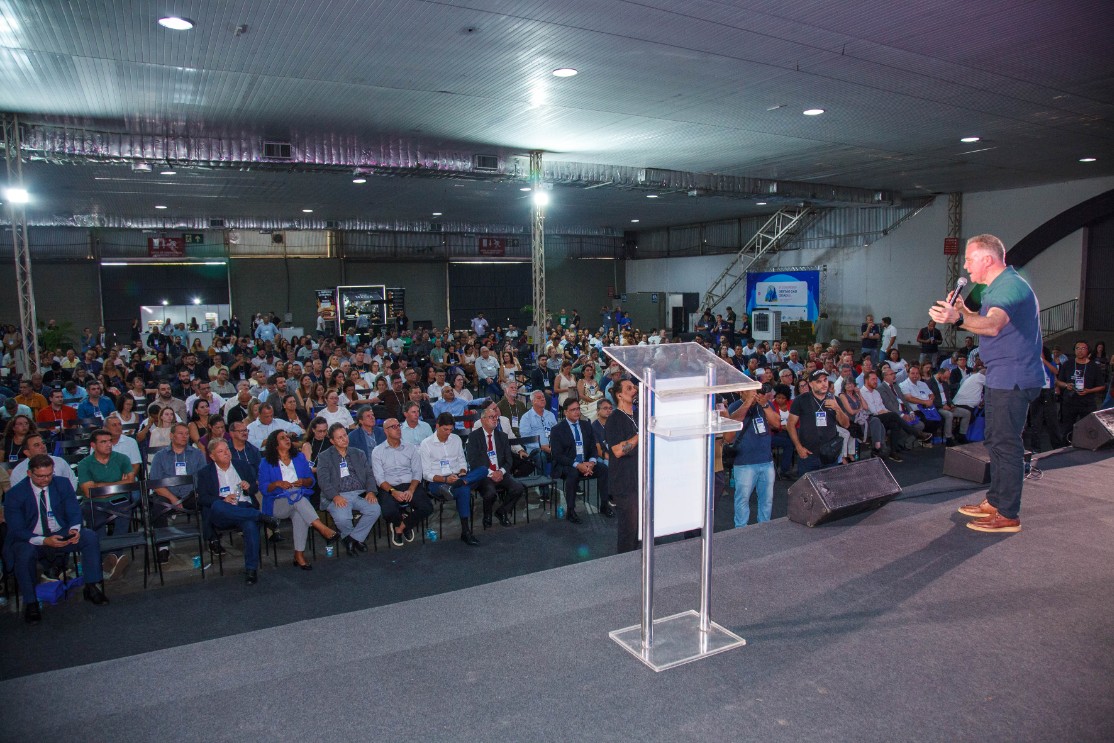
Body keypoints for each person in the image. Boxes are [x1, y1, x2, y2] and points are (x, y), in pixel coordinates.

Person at [929, 234, 1044, 534]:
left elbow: (992, 325)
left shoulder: (1009, 286)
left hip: (1013, 377)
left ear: (987, 259)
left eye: (969, 259)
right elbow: (983, 320)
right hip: (1003, 376)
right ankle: (997, 500)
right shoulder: (999, 286)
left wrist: (957, 320)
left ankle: (1008, 513)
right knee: (996, 440)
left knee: (1006, 444)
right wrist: (963, 313)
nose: (965, 266)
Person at [4, 455, 110, 623]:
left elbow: (74, 511)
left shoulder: (61, 483)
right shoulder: (15, 494)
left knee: (89, 537)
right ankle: (31, 602)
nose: (46, 479)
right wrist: (44, 540)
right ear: (29, 473)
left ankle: (91, 586)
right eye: (40, 476)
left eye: (49, 474)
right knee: (23, 554)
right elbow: (17, 530)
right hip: (31, 539)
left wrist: (74, 530)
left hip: (60, 532)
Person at [196, 439, 280, 584]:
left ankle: (251, 570)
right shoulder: (205, 472)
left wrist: (248, 487)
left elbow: (254, 489)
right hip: (222, 513)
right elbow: (202, 498)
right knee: (217, 505)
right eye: (221, 451)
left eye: (227, 449)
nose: (226, 453)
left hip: (243, 507)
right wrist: (223, 499)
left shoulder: (241, 465)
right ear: (212, 456)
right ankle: (261, 516)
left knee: (249, 525)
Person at [257, 429, 338, 569]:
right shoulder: (266, 462)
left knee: (300, 511)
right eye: (282, 438)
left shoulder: (299, 457)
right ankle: (321, 527)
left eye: (288, 437)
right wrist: (277, 484)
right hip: (277, 503)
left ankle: (299, 555)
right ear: (275, 444)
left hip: (299, 501)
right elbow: (264, 488)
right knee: (296, 494)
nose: (287, 439)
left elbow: (311, 481)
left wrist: (303, 481)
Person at [317, 423, 382, 556]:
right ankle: (355, 540)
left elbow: (369, 474)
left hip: (359, 493)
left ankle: (352, 539)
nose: (344, 439)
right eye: (339, 438)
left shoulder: (358, 453)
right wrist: (335, 496)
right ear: (332, 441)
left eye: (345, 435)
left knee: (375, 509)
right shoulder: (325, 456)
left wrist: (370, 491)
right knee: (342, 517)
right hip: (337, 494)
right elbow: (323, 481)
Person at [420, 412, 481, 546]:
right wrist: (445, 480)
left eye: (450, 430)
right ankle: (466, 531)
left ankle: (461, 482)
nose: (448, 433)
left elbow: (461, 460)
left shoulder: (456, 439)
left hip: (457, 476)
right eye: (445, 429)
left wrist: (463, 472)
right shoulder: (426, 444)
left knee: (483, 470)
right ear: (437, 426)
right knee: (464, 490)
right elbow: (426, 474)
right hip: (438, 482)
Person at [372, 417, 433, 547]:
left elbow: (417, 472)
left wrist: (411, 490)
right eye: (393, 427)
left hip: (409, 484)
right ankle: (402, 520)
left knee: (427, 507)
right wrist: (393, 492)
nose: (398, 429)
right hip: (389, 486)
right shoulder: (377, 451)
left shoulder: (411, 448)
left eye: (398, 425)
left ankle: (400, 527)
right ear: (386, 431)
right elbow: (379, 478)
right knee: (388, 512)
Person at [549, 398, 611, 523]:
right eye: (573, 410)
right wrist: (578, 465)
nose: (577, 412)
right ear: (565, 412)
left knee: (604, 469)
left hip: (586, 462)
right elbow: (557, 455)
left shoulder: (586, 425)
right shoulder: (557, 429)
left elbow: (593, 448)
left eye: (578, 409)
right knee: (572, 473)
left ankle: (605, 505)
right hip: (567, 464)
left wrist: (592, 462)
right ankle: (571, 511)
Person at [465, 403, 525, 528]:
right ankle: (487, 515)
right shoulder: (474, 437)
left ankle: (502, 511)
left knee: (518, 488)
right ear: (482, 420)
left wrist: (501, 472)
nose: (495, 419)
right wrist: (490, 473)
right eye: (491, 417)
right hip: (483, 474)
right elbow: (473, 461)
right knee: (490, 493)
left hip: (501, 472)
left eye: (495, 417)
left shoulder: (502, 436)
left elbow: (509, 460)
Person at [729, 385, 779, 526]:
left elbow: (776, 423)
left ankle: (764, 527)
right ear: (741, 391)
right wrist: (747, 403)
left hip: (766, 460)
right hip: (744, 462)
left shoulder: (764, 404)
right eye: (750, 391)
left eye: (755, 390)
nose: (754, 393)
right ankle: (741, 529)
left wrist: (764, 404)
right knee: (742, 499)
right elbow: (733, 423)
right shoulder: (735, 406)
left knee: (766, 499)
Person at [786, 370, 850, 476]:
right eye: (819, 381)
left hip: (830, 453)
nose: (824, 384)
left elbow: (846, 424)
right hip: (808, 454)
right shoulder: (801, 400)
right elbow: (790, 424)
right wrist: (798, 447)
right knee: (807, 490)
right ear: (811, 384)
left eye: (825, 380)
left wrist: (837, 409)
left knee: (830, 489)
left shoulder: (835, 400)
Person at [604, 378, 641, 554]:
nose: (634, 390)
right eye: (629, 388)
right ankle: (624, 567)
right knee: (628, 529)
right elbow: (618, 450)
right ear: (619, 395)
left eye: (634, 387)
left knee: (640, 530)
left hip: (640, 478)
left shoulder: (638, 415)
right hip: (624, 482)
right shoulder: (614, 419)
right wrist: (639, 436)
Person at [1054, 340, 1106, 440]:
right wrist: (1066, 385)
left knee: (1088, 428)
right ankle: (1066, 448)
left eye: (1083, 348)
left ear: (1088, 351)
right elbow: (1058, 382)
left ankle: (1084, 449)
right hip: (1069, 401)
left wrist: (1089, 391)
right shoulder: (1068, 364)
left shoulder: (1094, 366)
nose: (1080, 351)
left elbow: (1102, 386)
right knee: (1067, 428)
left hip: (1087, 402)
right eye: (1077, 348)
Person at [9, 431, 77, 490]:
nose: (43, 446)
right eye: (37, 445)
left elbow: (72, 482)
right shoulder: (18, 472)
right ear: (27, 452)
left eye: (43, 443)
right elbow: (18, 495)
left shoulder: (60, 462)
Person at [518, 390, 557, 474]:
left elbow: (557, 433)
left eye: (543, 397)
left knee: (568, 450)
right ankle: (543, 484)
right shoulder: (526, 417)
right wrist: (542, 446)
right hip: (535, 450)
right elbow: (525, 439)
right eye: (539, 398)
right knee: (541, 456)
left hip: (552, 447)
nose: (543, 399)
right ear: (532, 402)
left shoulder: (550, 415)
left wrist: (555, 445)